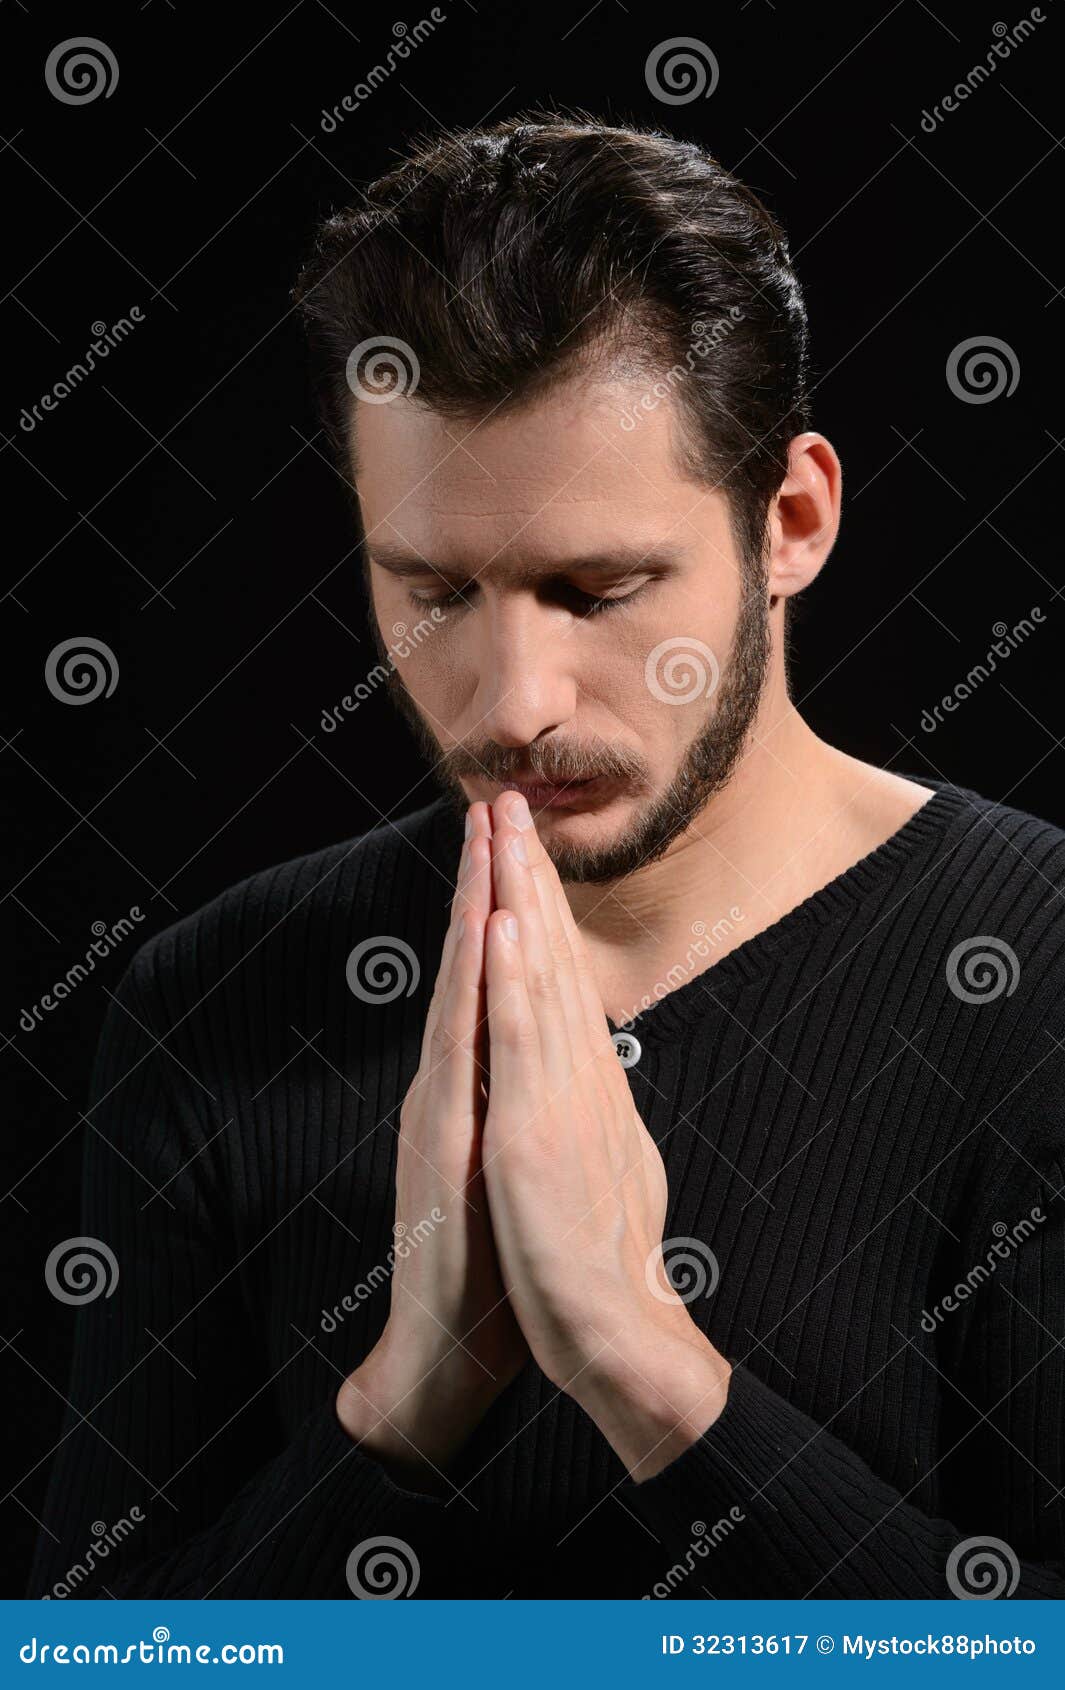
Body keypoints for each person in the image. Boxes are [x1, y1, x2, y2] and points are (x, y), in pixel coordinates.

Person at [28, 113, 1064, 1601]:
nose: (510, 702)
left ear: (790, 519)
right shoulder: (215, 998)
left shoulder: (1033, 973)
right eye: (434, 588)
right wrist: (400, 1410)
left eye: (595, 589)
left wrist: (652, 1374)